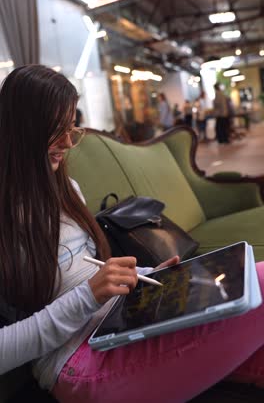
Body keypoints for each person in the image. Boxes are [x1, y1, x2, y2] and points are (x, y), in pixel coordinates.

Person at [1, 65, 264, 403]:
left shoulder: (66, 188)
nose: (67, 143)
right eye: (54, 130)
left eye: (70, 128)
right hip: (77, 360)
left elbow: (86, 266)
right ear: (21, 130)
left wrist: (147, 275)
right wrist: (89, 297)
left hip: (121, 323)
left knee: (248, 288)